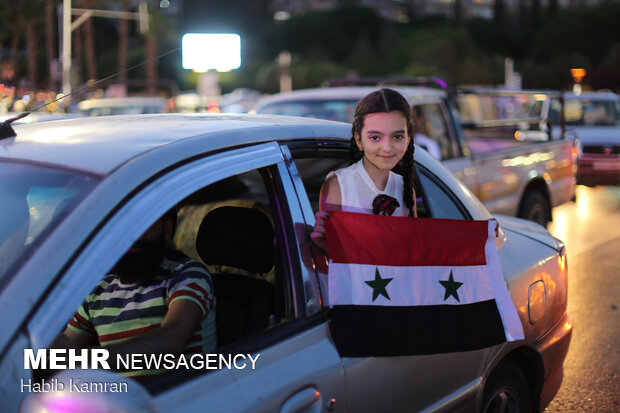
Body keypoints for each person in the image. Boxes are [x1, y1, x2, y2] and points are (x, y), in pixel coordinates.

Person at [59, 208, 216, 379]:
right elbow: (65, 349)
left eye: (142, 223)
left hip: (182, 400)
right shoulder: (98, 289)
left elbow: (172, 338)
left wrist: (83, 360)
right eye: (123, 226)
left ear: (167, 230)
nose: (130, 234)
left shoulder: (186, 275)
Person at [310, 88, 417, 252]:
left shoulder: (406, 188)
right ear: (358, 139)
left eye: (397, 137)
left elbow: (412, 251)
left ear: (408, 139)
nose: (387, 148)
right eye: (375, 137)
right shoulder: (339, 186)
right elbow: (334, 256)